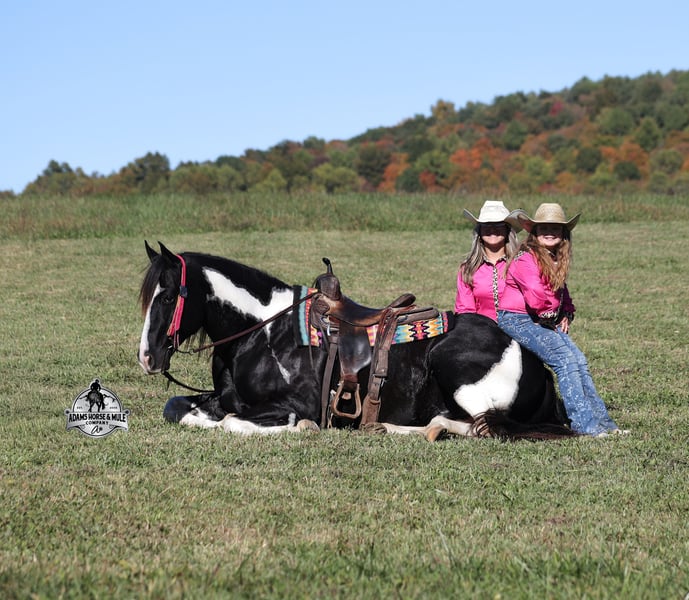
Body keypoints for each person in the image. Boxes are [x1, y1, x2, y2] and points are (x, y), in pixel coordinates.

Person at [496, 203, 626, 437]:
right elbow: (536, 296)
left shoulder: (554, 257)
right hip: (517, 318)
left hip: (539, 318)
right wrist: (552, 316)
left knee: (579, 361)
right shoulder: (525, 259)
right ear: (534, 232)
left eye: (555, 228)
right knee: (565, 360)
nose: (550, 232)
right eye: (544, 228)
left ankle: (604, 423)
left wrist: (566, 311)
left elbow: (561, 292)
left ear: (563, 233)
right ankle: (584, 425)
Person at [455, 200, 522, 321]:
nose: (492, 229)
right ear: (479, 231)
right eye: (486, 225)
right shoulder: (468, 268)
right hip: (482, 329)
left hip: (520, 327)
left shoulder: (521, 263)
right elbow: (465, 310)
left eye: (498, 225)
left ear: (507, 230)